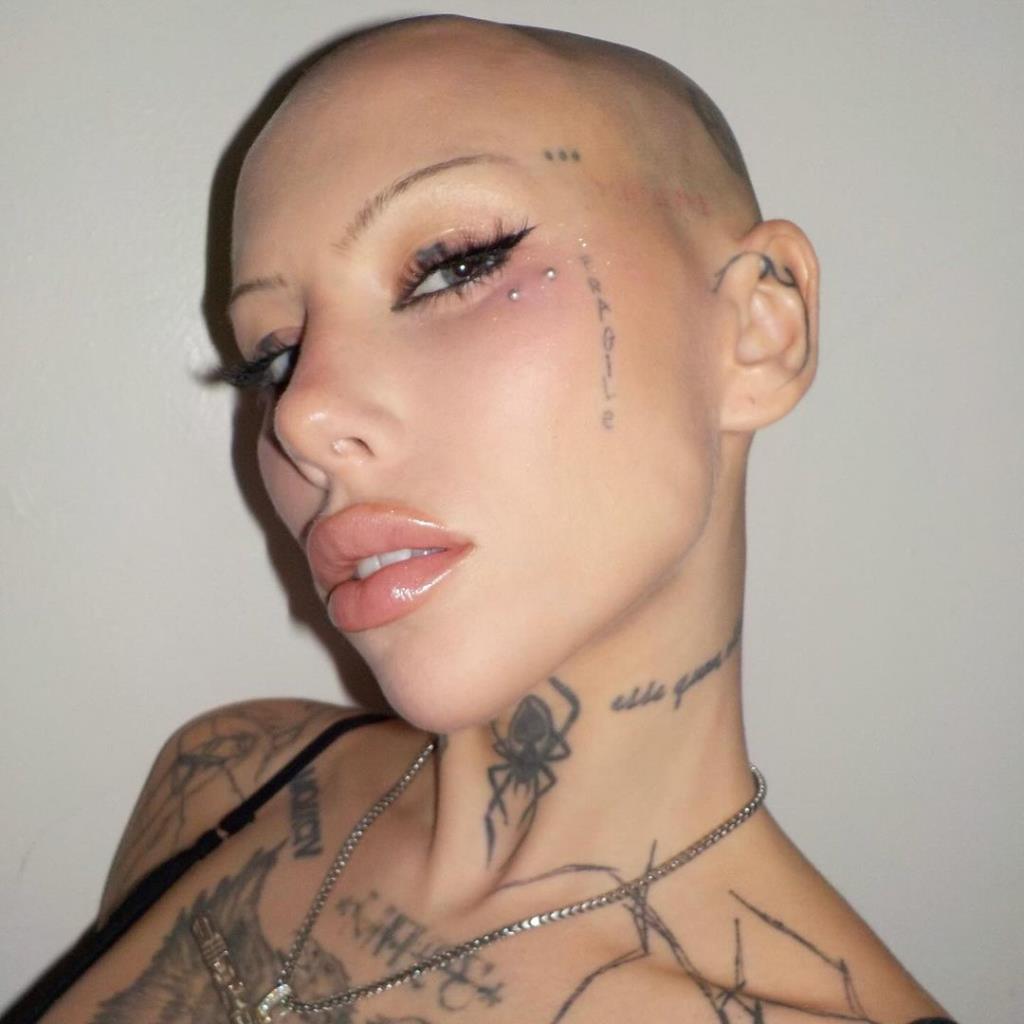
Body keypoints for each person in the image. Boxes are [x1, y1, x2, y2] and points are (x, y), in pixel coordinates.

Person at [6, 14, 956, 1024]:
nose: (301, 416)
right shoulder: (221, 783)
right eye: (272, 357)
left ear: (758, 329)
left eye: (452, 266)